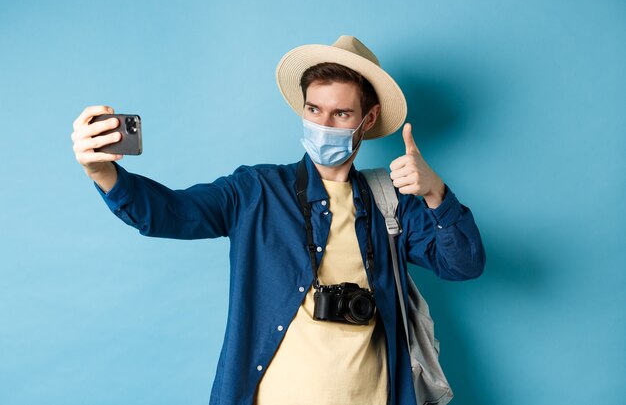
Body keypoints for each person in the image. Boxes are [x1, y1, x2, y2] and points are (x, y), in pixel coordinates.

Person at [71, 35, 486, 405]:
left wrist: (435, 193)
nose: (323, 125)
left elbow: (463, 264)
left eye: (341, 114)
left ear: (368, 119)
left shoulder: (389, 202)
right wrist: (103, 173)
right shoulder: (255, 190)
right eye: (313, 109)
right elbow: (169, 213)